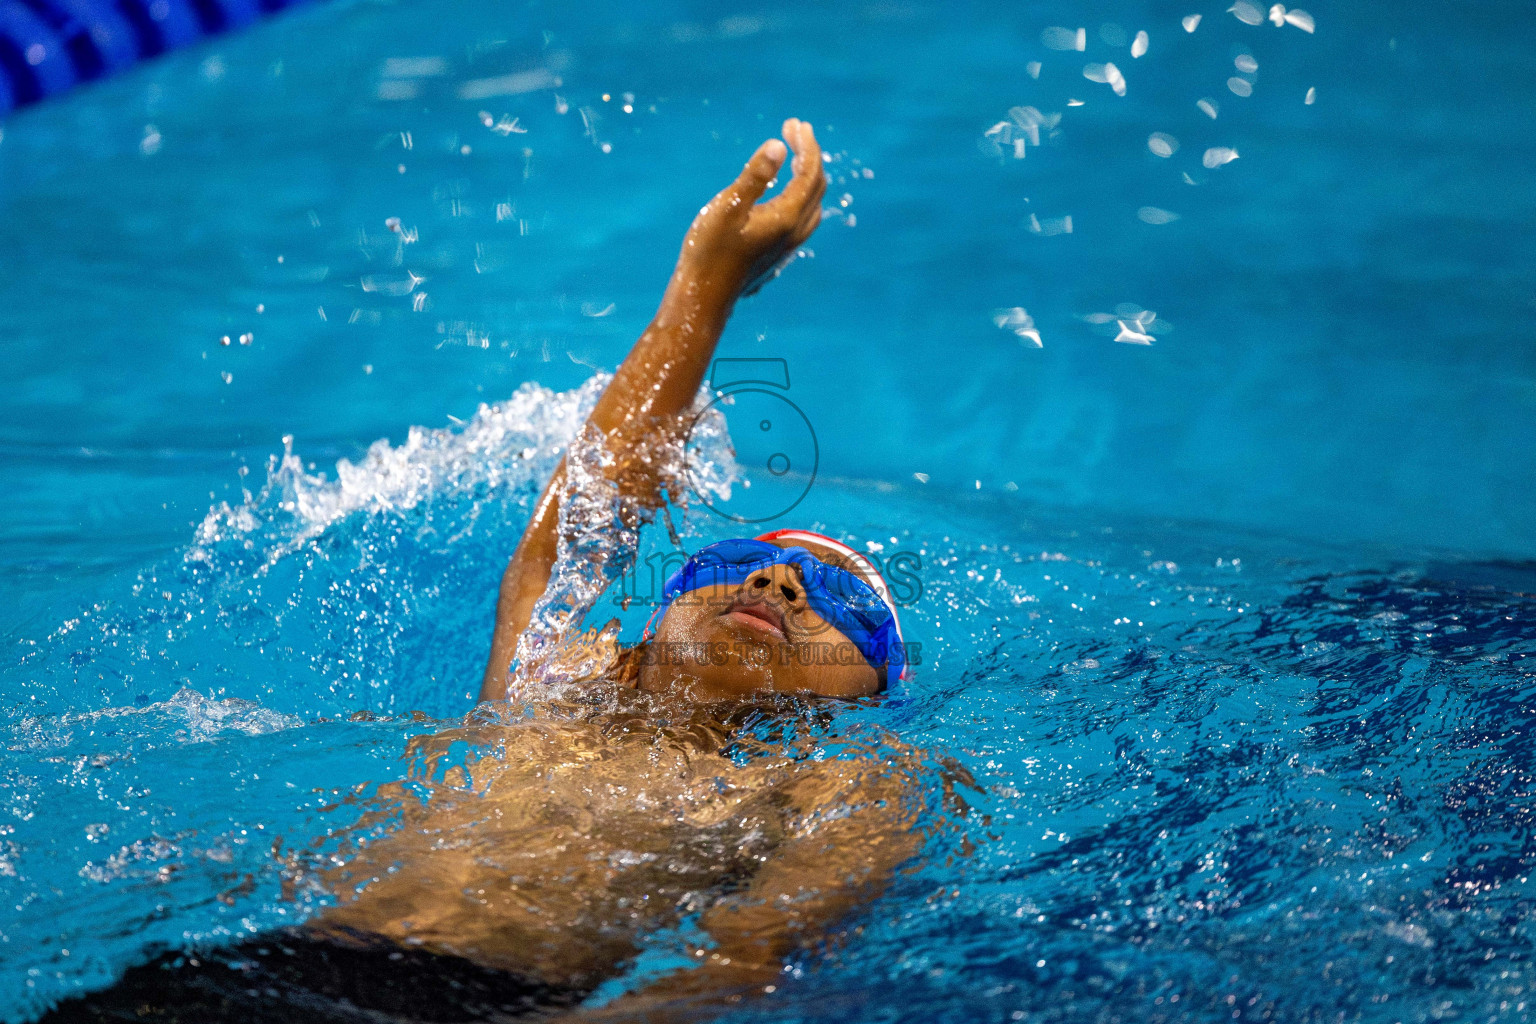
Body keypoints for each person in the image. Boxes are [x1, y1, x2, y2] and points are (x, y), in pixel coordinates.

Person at [42, 119, 952, 1024]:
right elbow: (568, 540)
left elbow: (743, 967)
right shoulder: (571, 683)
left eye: (836, 596)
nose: (776, 584)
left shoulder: (838, 785)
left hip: (474, 1003)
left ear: (867, 692)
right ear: (644, 635)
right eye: (742, 560)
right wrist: (704, 291)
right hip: (241, 972)